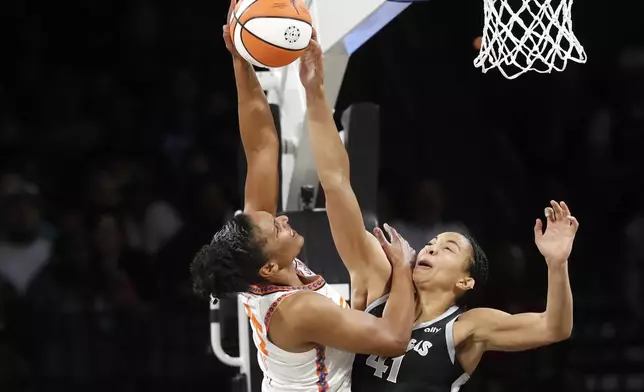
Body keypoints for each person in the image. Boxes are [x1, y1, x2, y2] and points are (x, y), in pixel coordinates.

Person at [298, 37, 578, 391]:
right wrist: (315, 95)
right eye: (432, 243)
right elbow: (337, 185)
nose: (429, 247)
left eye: (447, 249)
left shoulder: (466, 327)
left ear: (464, 282)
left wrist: (557, 264)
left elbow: (555, 328)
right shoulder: (379, 282)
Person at [189, 2, 417, 391]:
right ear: (269, 269)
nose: (281, 218)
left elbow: (261, 148)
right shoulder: (299, 310)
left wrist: (241, 62)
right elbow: (394, 340)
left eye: (272, 219)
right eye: (276, 228)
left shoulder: (258, 261)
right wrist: (404, 269)